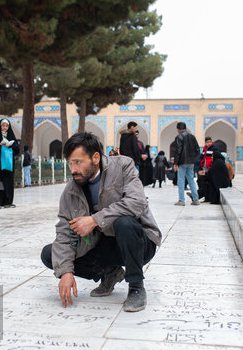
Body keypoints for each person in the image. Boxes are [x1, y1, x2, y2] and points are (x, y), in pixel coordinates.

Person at [40, 132, 161, 312]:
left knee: (124, 223)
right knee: (50, 254)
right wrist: (65, 272)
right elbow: (64, 232)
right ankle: (110, 272)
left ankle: (136, 287)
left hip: (138, 243)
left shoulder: (122, 166)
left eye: (78, 162)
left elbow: (137, 202)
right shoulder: (71, 190)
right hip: (103, 245)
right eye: (70, 163)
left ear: (95, 157)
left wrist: (95, 220)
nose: (73, 169)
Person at [173, 122, 200, 206]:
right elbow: (197, 150)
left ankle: (181, 200)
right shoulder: (192, 136)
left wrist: (176, 163)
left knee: (180, 180)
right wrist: (193, 158)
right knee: (191, 180)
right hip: (191, 162)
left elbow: (178, 151)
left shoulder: (179, 137)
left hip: (182, 162)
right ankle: (196, 199)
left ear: (178, 129)